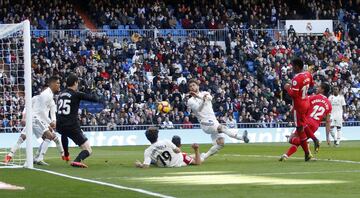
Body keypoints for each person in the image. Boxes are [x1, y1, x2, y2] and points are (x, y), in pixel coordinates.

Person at [4, 77, 64, 165]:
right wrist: (24, 117)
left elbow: (52, 112)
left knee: (24, 138)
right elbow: (27, 107)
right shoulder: (37, 98)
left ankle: (11, 155)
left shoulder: (51, 100)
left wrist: (53, 121)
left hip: (38, 120)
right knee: (49, 136)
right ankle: (39, 158)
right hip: (36, 119)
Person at [186, 79, 249, 161]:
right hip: (205, 122)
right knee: (221, 128)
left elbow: (210, 98)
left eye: (193, 85)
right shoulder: (190, 101)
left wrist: (199, 97)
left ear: (198, 86)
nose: (192, 87)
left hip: (213, 120)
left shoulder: (205, 93)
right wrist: (201, 100)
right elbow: (198, 109)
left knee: (221, 144)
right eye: (190, 86)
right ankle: (242, 138)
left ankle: (203, 157)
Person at [56, 73, 102, 168]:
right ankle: (77, 161)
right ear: (75, 83)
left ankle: (66, 154)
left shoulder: (61, 94)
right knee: (88, 150)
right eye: (77, 83)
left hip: (60, 125)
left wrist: (66, 152)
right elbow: (95, 99)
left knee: (64, 134)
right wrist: (92, 90)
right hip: (71, 125)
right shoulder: (76, 94)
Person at [280, 83, 332, 161]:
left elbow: (301, 103)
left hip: (306, 122)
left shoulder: (313, 97)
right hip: (315, 126)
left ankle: (308, 144)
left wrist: (293, 109)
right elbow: (328, 121)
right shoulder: (329, 104)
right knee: (300, 140)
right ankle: (286, 155)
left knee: (291, 139)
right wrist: (327, 137)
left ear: (322, 90)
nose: (316, 88)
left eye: (318, 87)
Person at [284, 58, 314, 161]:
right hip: (306, 102)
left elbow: (294, 95)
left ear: (297, 66)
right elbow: (311, 84)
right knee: (302, 127)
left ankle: (307, 152)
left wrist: (288, 88)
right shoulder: (308, 74)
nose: (292, 68)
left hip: (299, 105)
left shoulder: (296, 78)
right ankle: (311, 143)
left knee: (300, 129)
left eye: (293, 66)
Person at [135, 127, 201, 168]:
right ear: (157, 135)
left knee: (153, 158)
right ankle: (201, 153)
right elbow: (178, 151)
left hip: (164, 164)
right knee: (196, 159)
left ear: (147, 138)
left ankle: (202, 155)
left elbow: (146, 166)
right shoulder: (166, 141)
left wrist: (140, 165)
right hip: (178, 162)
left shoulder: (147, 151)